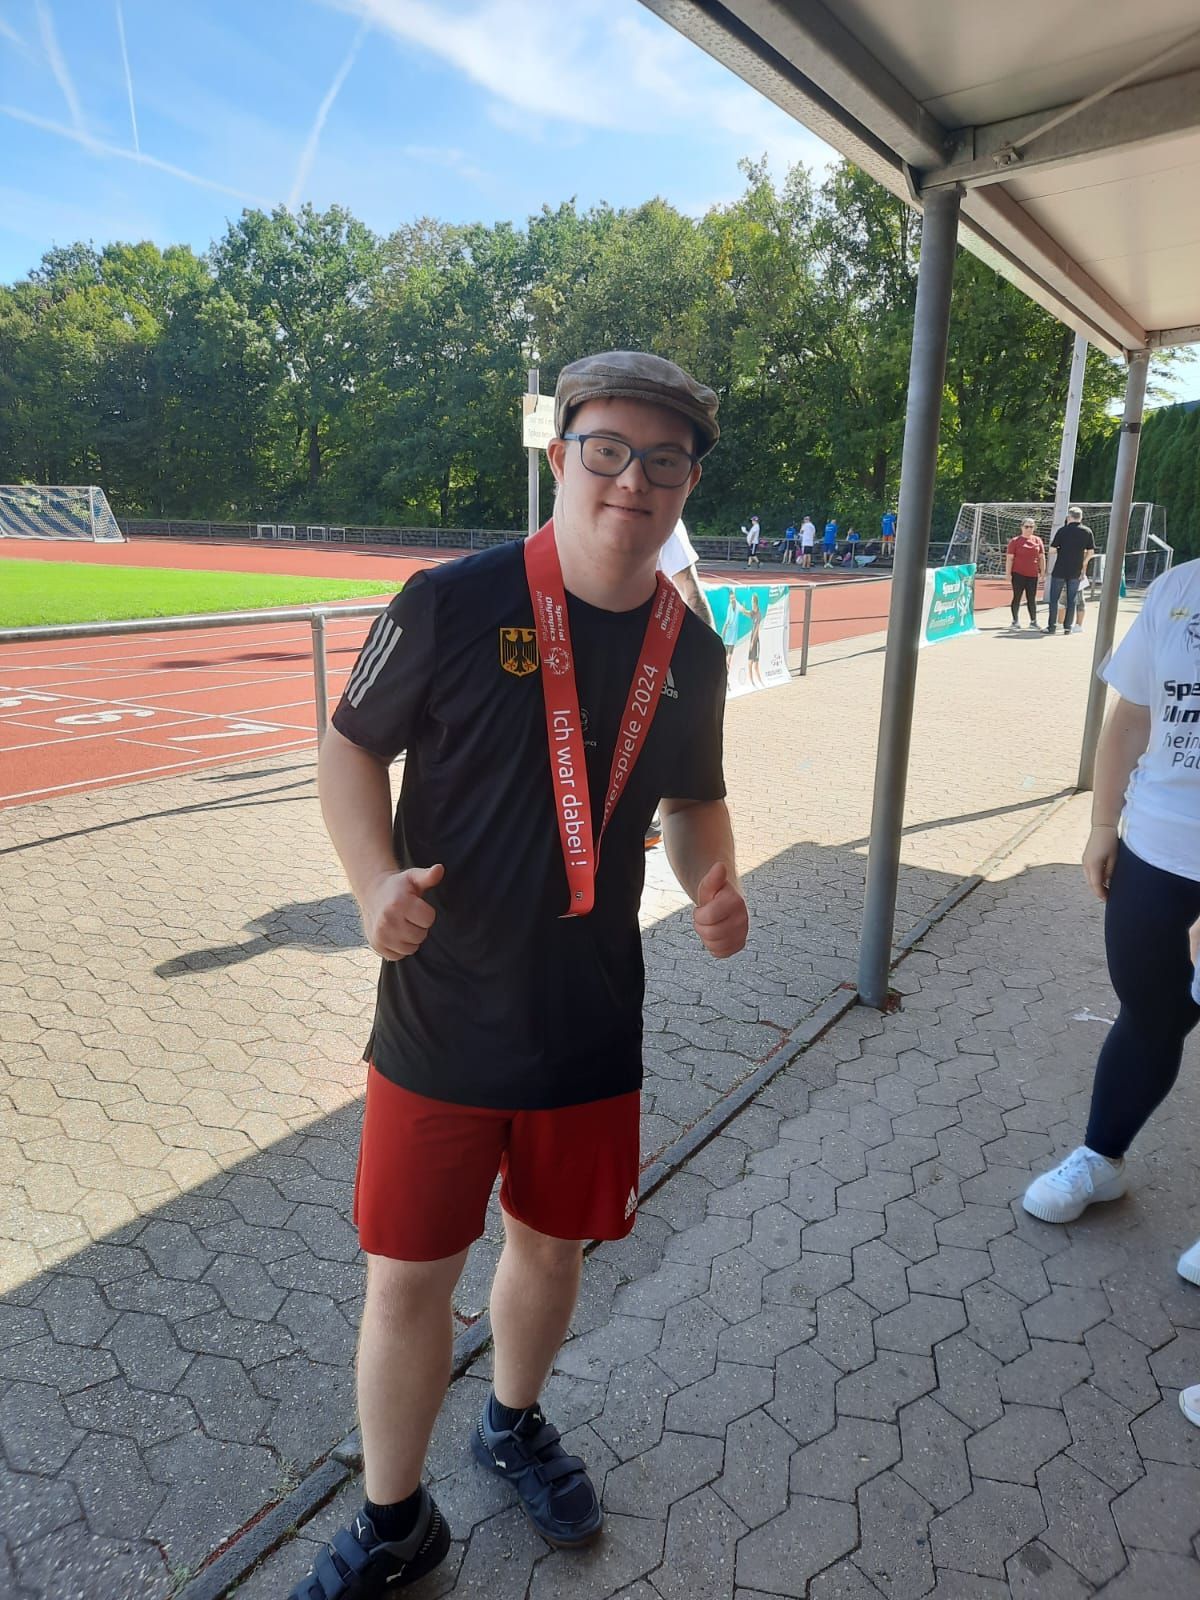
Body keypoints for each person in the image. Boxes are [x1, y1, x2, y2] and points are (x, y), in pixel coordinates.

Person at [295, 350, 749, 1600]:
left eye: (664, 460)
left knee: (551, 1255)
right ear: (562, 456)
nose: (632, 480)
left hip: (589, 1023)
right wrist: (371, 884)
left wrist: (712, 884)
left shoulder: (694, 651)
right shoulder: (448, 603)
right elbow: (348, 749)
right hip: (439, 1017)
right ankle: (396, 1520)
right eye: (608, 449)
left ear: (688, 484)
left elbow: (695, 805)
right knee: (409, 1279)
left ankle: (510, 1421)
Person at [1022, 559, 1200, 1299]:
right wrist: (1102, 823)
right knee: (1149, 1015)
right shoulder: (1179, 588)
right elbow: (1132, 715)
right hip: (1156, 850)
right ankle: (1102, 1161)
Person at [645, 520, 717, 848]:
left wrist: (708, 661)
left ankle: (648, 819)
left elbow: (691, 591)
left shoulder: (666, 522)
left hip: (655, 658)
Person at [1045, 505, 1095, 635]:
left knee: (1054, 599)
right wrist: (1083, 563)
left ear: (1069, 517)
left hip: (1060, 569)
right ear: (1081, 517)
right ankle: (1068, 627)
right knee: (1072, 599)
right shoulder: (1087, 531)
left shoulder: (1062, 530)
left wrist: (1062, 550)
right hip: (1076, 570)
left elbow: (1052, 550)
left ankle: (1052, 626)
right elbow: (1090, 552)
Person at [1005, 516, 1046, 629]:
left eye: (1031, 527)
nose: (1029, 529)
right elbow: (1009, 558)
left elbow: (1042, 557)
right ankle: (1015, 621)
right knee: (1017, 597)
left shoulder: (1038, 540)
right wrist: (1008, 573)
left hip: (1032, 574)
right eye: (1026, 526)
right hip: (1018, 573)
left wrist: (1043, 572)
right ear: (1022, 527)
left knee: (1031, 598)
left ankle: (1033, 621)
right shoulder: (1015, 541)